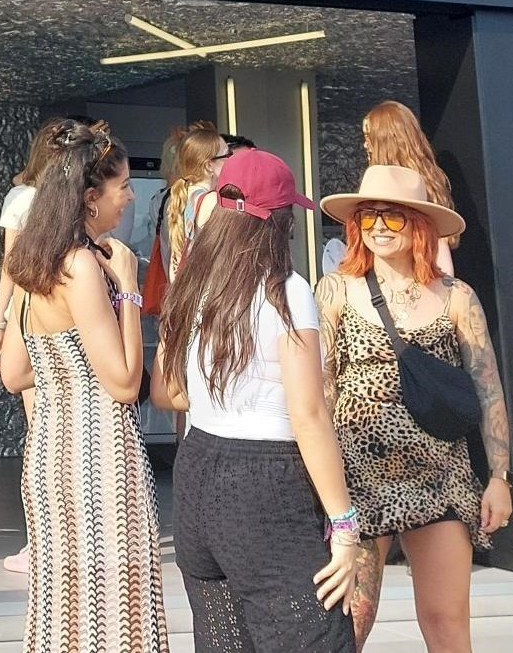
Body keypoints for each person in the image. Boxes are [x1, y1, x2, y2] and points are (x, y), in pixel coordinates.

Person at [149, 148, 358, 653]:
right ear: (283, 219)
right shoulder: (286, 290)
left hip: (197, 472)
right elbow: (308, 415)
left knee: (223, 641)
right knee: (315, 638)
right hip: (267, 482)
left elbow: (165, 393)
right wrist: (344, 525)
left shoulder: (191, 285)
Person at [316, 166, 513, 652]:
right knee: (346, 626)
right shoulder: (337, 289)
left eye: (393, 216)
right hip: (357, 481)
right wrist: (319, 481)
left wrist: (499, 477)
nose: (379, 227)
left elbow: (488, 390)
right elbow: (321, 389)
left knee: (448, 624)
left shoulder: (456, 296)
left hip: (440, 477)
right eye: (368, 216)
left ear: (420, 225)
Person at [0, 119, 167, 653]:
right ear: (90, 197)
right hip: (100, 452)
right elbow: (123, 383)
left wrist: (67, 363)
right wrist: (130, 290)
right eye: (123, 187)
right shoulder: (81, 265)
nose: (129, 198)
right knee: (117, 609)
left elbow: (14, 373)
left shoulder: (35, 263)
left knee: (63, 611)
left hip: (49, 451)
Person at [0, 117, 94, 576]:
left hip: (33, 322)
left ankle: (45, 542)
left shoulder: (23, 198)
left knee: (43, 436)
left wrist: (0, 323)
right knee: (78, 432)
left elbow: (11, 268)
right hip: (76, 317)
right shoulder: (86, 200)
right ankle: (72, 539)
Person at [359, 101, 458, 281]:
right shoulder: (427, 180)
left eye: (368, 137)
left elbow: (440, 260)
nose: (365, 145)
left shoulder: (418, 189)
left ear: (385, 140)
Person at [161, 120, 226, 283]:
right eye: (227, 155)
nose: (231, 160)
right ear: (209, 165)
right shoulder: (211, 201)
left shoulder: (180, 196)